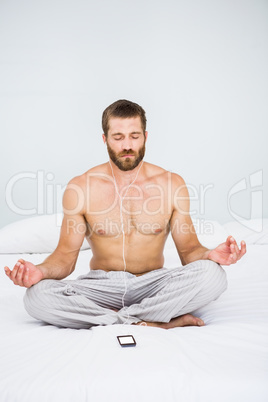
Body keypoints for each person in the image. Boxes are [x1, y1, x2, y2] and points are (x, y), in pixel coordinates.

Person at [4, 99, 246, 330]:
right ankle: (156, 320)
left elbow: (189, 251)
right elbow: (65, 259)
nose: (127, 145)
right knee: (36, 297)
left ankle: (115, 319)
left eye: (134, 136)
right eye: (118, 137)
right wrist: (40, 271)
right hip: (101, 286)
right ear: (105, 139)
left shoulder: (172, 184)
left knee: (213, 276)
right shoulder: (81, 187)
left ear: (145, 137)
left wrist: (210, 254)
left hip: (153, 284)